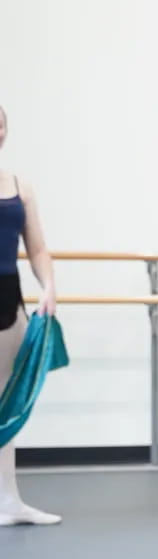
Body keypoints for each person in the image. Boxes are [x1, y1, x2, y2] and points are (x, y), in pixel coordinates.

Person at [0, 105, 61, 526]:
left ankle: (8, 501)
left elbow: (37, 248)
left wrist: (49, 286)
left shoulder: (20, 187)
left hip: (8, 301)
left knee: (7, 402)